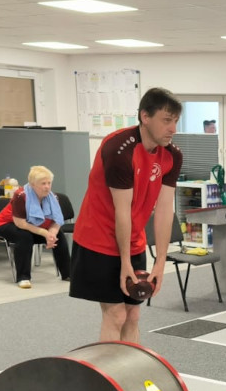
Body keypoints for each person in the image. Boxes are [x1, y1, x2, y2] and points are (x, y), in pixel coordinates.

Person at [69, 87, 182, 344]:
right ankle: (107, 380)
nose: (173, 128)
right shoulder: (119, 148)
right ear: (145, 116)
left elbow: (164, 210)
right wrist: (125, 264)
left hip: (133, 239)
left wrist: (161, 262)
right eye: (166, 120)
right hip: (97, 239)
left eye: (175, 121)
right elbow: (123, 211)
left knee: (133, 314)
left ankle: (129, 376)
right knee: (116, 314)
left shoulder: (172, 156)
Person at [0, 165, 71, 288]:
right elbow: (20, 223)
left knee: (59, 235)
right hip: (6, 224)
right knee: (24, 236)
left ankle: (68, 274)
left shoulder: (53, 197)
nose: (47, 187)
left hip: (33, 227)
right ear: (33, 184)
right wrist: (45, 233)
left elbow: (56, 221)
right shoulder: (20, 195)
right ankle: (23, 278)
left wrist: (52, 235)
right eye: (43, 183)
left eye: (49, 183)